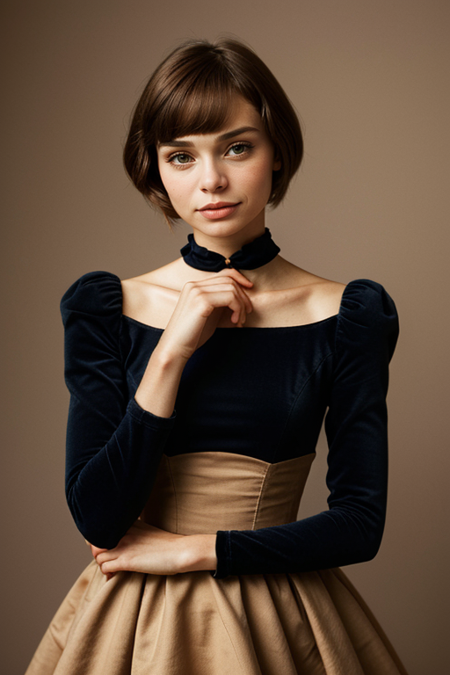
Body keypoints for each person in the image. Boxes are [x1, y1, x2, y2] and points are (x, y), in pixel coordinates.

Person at [25, 38, 408, 674]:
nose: (211, 180)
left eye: (237, 147)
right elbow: (98, 517)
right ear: (154, 169)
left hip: (278, 621)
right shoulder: (105, 308)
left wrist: (196, 551)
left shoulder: (349, 315)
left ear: (277, 150)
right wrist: (172, 349)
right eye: (182, 156)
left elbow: (360, 524)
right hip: (131, 625)